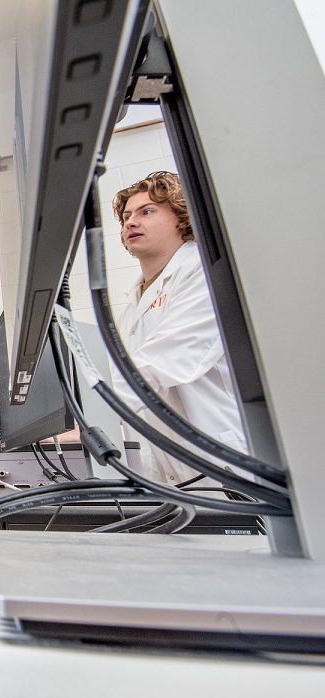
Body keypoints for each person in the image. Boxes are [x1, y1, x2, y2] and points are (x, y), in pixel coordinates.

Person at [111, 171, 248, 485]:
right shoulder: (133, 301)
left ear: (182, 219)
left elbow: (161, 364)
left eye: (147, 212)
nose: (131, 222)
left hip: (218, 463)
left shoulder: (203, 273)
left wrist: (91, 420)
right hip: (168, 469)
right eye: (127, 216)